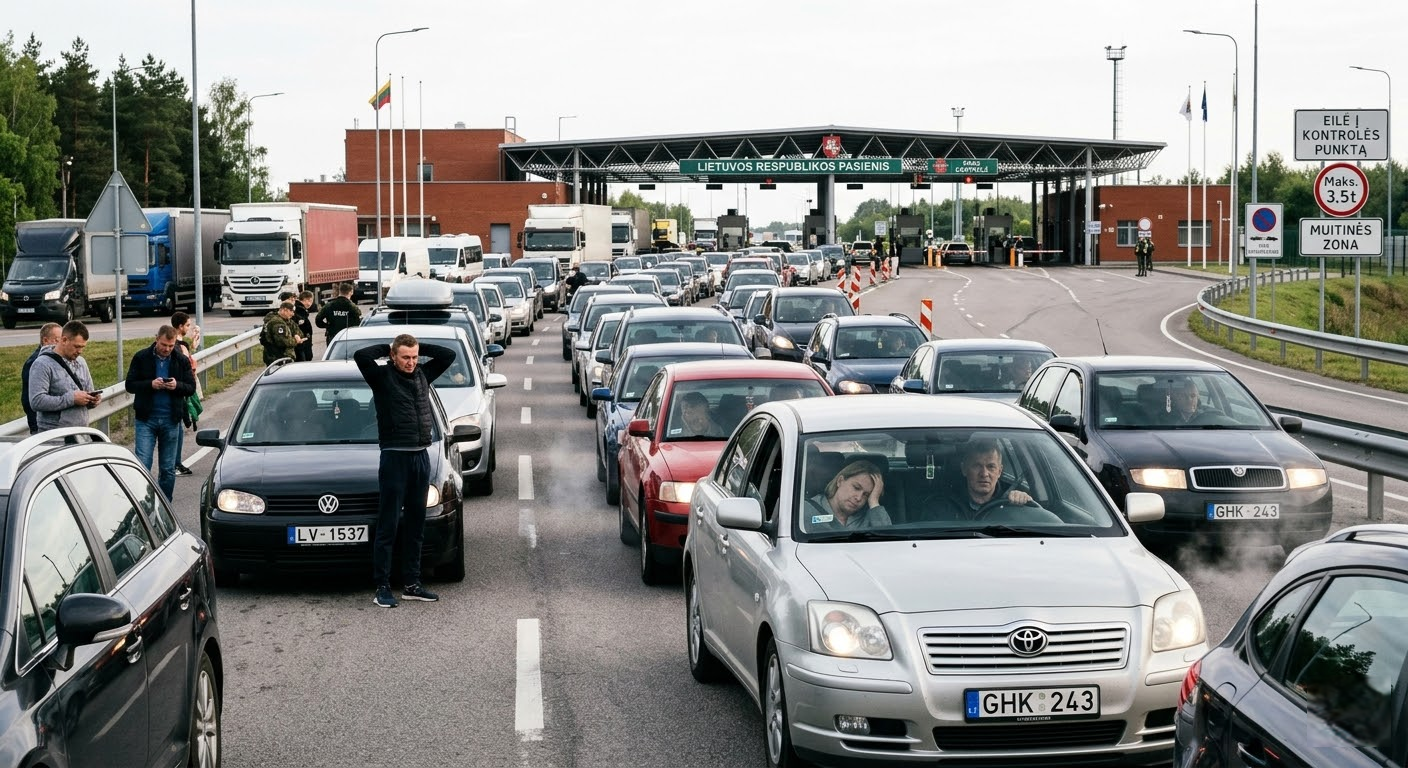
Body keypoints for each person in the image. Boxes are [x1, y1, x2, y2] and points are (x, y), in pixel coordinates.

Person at [354, 333, 457, 608]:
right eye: (405, 357)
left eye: (414, 357)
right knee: (388, 525)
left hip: (420, 456)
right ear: (393, 356)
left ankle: (412, 583)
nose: (411, 362)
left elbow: (448, 355)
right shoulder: (381, 378)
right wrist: (387, 346)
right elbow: (361, 356)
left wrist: (419, 345)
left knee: (416, 524)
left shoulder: (423, 374)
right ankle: (382, 586)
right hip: (395, 458)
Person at [125, 326, 197, 501]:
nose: (167, 349)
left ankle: (165, 505)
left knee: (167, 469)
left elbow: (191, 387)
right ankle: (143, 504)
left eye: (171, 346)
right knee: (143, 464)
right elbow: (130, 385)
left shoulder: (181, 360)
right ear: (156, 339)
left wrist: (176, 385)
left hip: (171, 420)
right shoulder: (141, 357)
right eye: (164, 345)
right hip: (146, 420)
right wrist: (150, 384)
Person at [28, 320, 101, 432]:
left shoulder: (81, 362)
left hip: (81, 431)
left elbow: (88, 391)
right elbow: (36, 401)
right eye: (76, 346)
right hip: (55, 434)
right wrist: (71, 399)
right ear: (64, 340)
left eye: (83, 347)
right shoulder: (42, 364)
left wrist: (92, 400)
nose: (80, 351)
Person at [934, 440, 1033, 520]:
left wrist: (1025, 503)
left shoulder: (1011, 503)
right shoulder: (943, 505)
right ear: (964, 469)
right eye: (977, 466)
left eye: (991, 467)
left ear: (999, 471)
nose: (984, 474)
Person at [805, 460, 890, 530]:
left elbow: (887, 539)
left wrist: (874, 502)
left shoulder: (870, 517)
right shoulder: (808, 509)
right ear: (840, 481)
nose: (859, 498)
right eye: (856, 487)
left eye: (866, 495)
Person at [171, 311, 202, 476]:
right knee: (177, 429)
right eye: (187, 325)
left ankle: (175, 463)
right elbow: (186, 366)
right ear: (180, 326)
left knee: (179, 429)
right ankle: (175, 464)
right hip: (180, 390)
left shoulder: (178, 344)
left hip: (180, 388)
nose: (189, 328)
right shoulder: (178, 346)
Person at [21, 322, 61, 435]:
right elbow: (31, 399)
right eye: (57, 340)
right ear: (45, 340)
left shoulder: (55, 358)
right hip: (41, 426)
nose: (61, 344)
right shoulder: (36, 363)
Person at [293, 290, 316, 361]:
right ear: (306, 300)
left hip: (302, 341)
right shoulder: (300, 310)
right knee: (304, 360)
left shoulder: (299, 309)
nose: (311, 303)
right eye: (311, 301)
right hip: (302, 342)